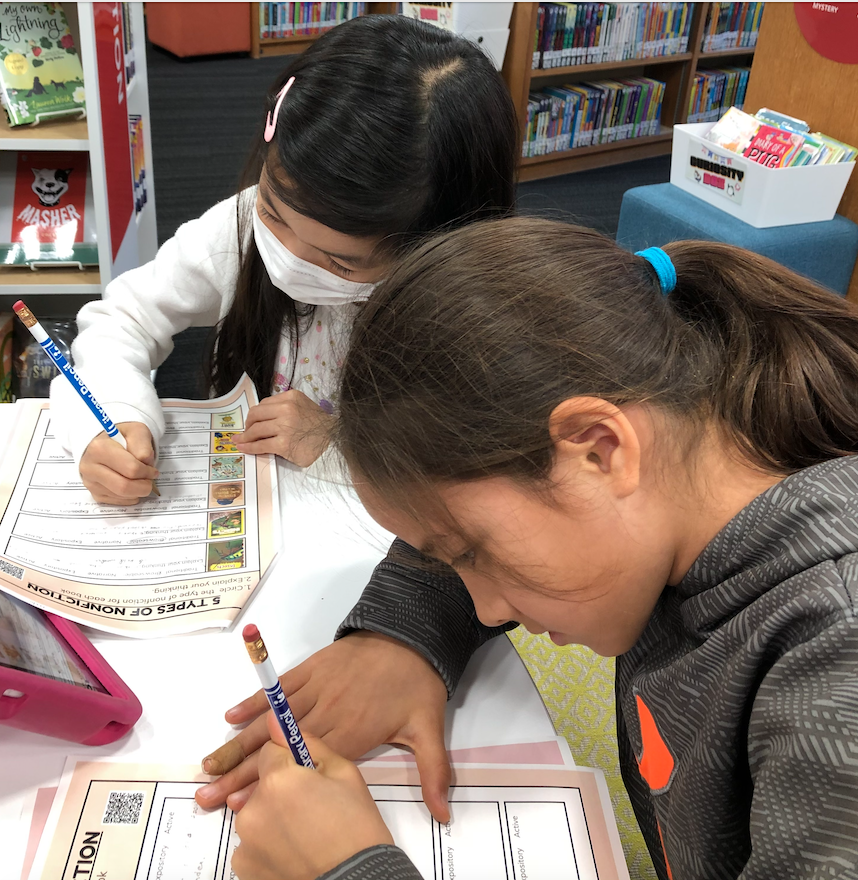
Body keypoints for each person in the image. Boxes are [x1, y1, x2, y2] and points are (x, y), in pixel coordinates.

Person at [229, 217, 858, 880]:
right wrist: (403, 635)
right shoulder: (688, 472)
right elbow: (465, 507)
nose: (487, 609)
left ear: (599, 450)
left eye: (470, 553)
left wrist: (348, 871)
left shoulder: (834, 678)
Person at [50, 14, 518, 504]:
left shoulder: (472, 317)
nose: (290, 261)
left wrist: (339, 446)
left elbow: (471, 472)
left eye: (339, 263)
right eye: (273, 215)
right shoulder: (238, 227)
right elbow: (124, 318)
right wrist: (115, 412)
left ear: (436, 244)